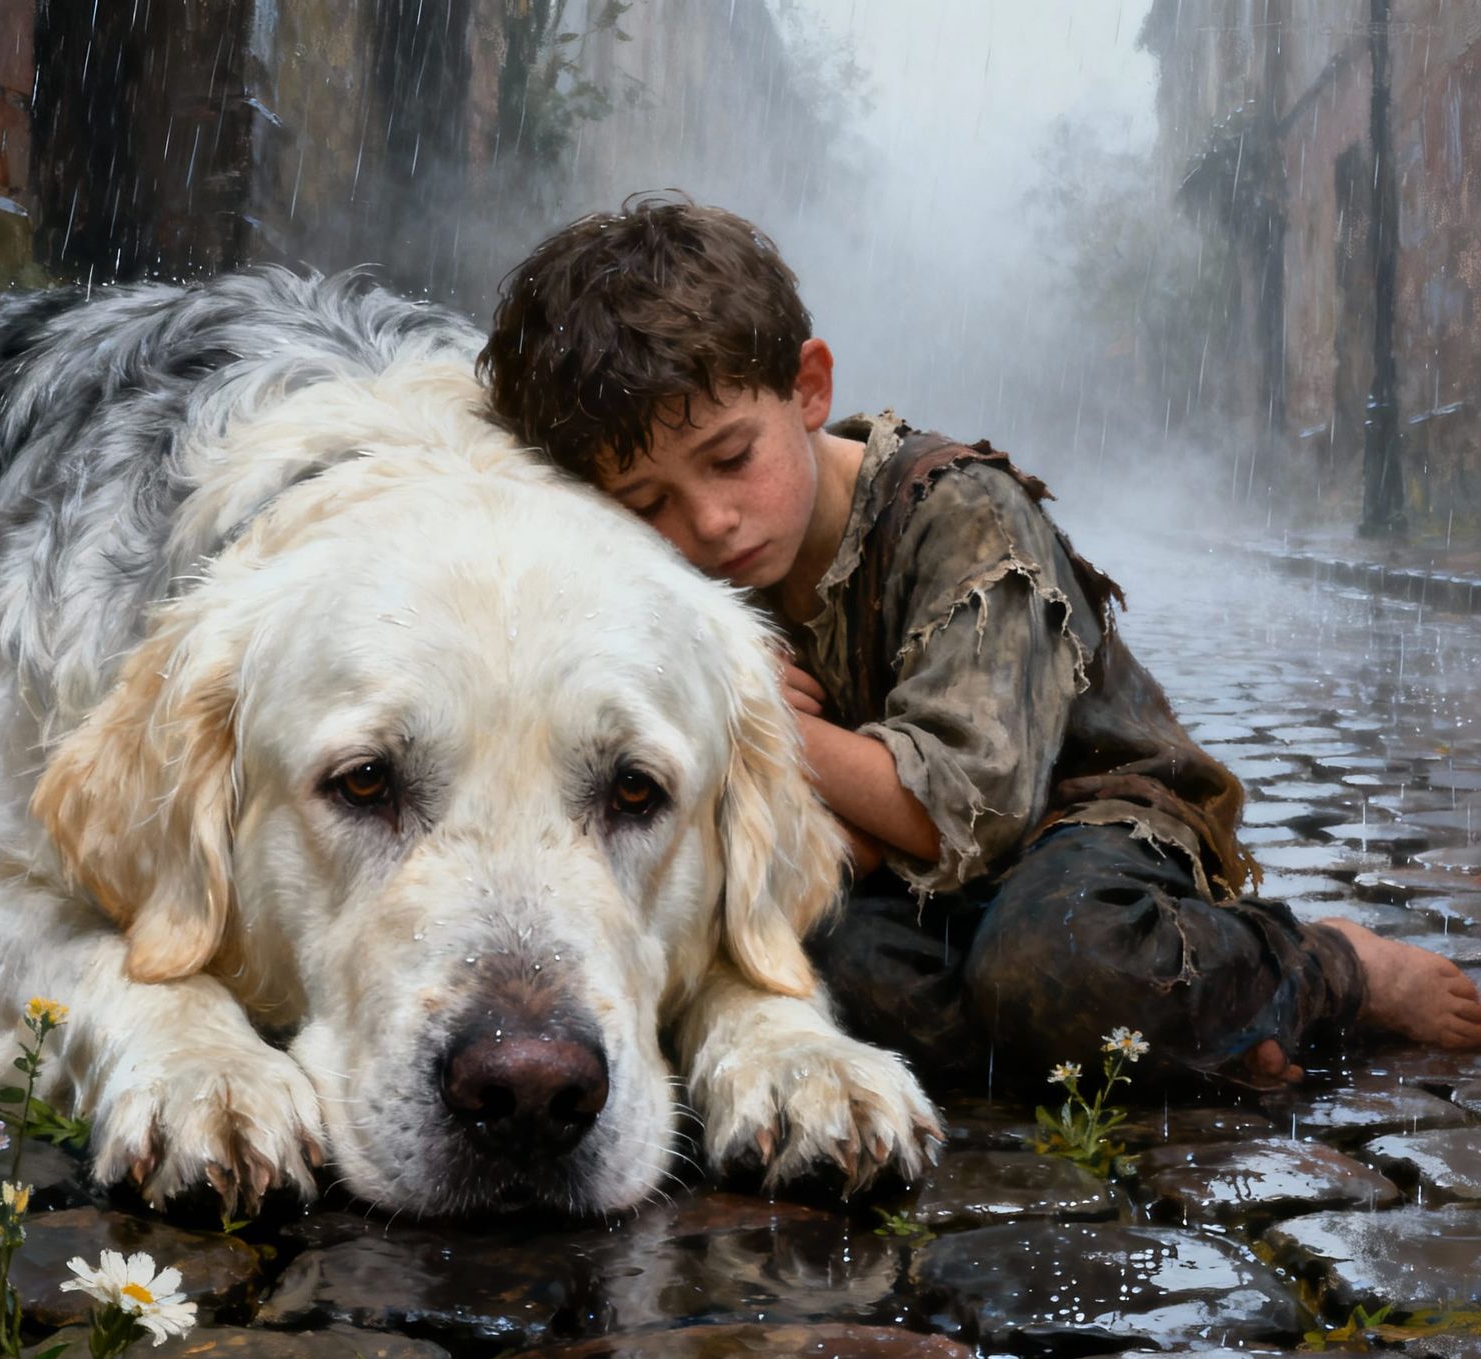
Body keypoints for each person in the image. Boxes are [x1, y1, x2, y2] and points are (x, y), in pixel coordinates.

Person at [477, 196, 1481, 1090]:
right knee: (809, 970)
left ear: (808, 388)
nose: (709, 522)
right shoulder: (676, 580)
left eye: (730, 458)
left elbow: (963, 806)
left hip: (1074, 824)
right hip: (897, 873)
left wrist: (758, 719)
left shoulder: (960, 515)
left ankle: (1321, 968)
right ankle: (1165, 1034)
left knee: (1057, 955)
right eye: (646, 502)